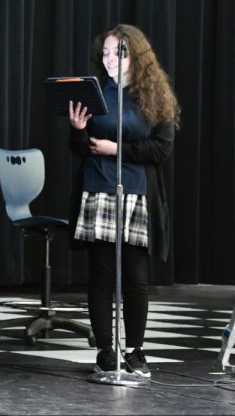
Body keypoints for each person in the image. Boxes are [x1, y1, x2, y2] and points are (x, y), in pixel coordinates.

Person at [67, 24, 180, 378]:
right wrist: (78, 130)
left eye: (118, 53)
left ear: (135, 56)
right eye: (105, 53)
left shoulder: (154, 96)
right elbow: (77, 149)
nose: (110, 60)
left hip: (136, 192)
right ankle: (105, 350)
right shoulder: (97, 91)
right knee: (101, 273)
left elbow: (161, 148)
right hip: (98, 187)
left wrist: (117, 150)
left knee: (136, 275)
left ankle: (135, 350)